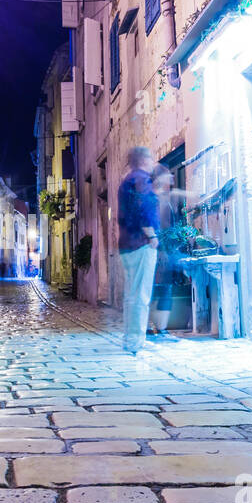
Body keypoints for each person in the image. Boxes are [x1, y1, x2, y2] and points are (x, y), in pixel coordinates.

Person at [116, 146, 159, 353]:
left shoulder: (125, 181)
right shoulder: (142, 180)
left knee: (131, 295)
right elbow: (143, 209)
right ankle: (136, 340)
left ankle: (130, 338)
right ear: (143, 160)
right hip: (141, 242)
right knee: (141, 295)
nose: (153, 162)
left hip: (125, 244)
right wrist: (152, 235)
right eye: (151, 158)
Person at [148, 164, 182, 340]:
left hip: (166, 249)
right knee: (158, 288)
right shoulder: (156, 200)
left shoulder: (166, 198)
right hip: (159, 249)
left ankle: (159, 328)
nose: (172, 178)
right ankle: (155, 328)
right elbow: (158, 226)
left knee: (163, 288)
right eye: (168, 175)